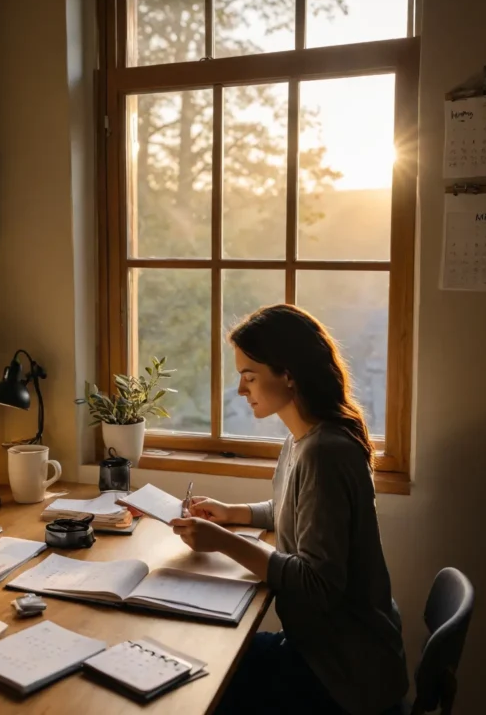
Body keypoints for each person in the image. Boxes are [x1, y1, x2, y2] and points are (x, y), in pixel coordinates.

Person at [170, 304, 408, 715]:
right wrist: (234, 512)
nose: (241, 389)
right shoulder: (304, 439)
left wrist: (223, 542)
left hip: (343, 674)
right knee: (205, 656)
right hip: (329, 651)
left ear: (289, 375)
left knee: (201, 682)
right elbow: (295, 510)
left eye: (249, 376)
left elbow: (317, 583)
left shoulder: (324, 453)